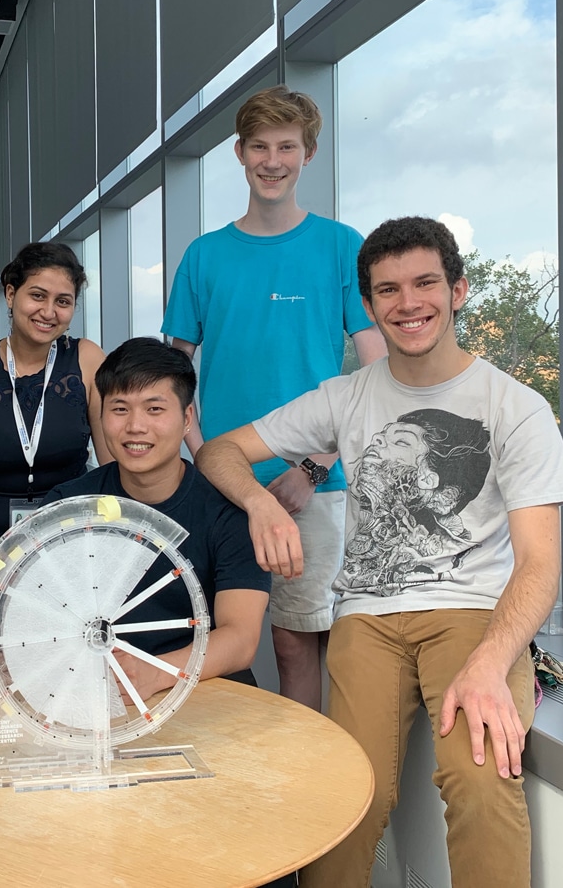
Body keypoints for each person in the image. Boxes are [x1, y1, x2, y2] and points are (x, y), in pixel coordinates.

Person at [195, 217, 563, 888]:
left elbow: (541, 565)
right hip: (367, 618)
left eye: (426, 283)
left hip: (472, 614)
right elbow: (221, 452)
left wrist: (493, 661)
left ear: (458, 290)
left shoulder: (514, 407)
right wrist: (259, 502)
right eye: (388, 291)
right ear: (368, 307)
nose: (408, 303)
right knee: (346, 796)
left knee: (482, 782)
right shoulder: (345, 397)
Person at [161, 85, 387, 711]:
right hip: (217, 482)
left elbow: (374, 373)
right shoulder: (204, 257)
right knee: (197, 637)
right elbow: (172, 376)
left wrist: (311, 468)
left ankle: (307, 790)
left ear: (308, 154)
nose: (271, 160)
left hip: (312, 483)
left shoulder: (342, 247)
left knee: (296, 643)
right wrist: (207, 457)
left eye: (287, 146)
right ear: (239, 153)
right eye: (259, 146)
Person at [43, 338, 270, 695]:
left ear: (186, 418)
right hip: (97, 688)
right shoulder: (67, 506)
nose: (135, 426)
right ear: (100, 416)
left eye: (154, 409)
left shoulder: (227, 512)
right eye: (119, 409)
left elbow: (240, 639)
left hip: (206, 685)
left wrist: (156, 671)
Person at [0, 242, 111, 573]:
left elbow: (110, 465)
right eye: (37, 296)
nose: (49, 312)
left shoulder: (88, 359)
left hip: (73, 540)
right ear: (11, 295)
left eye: (63, 302)